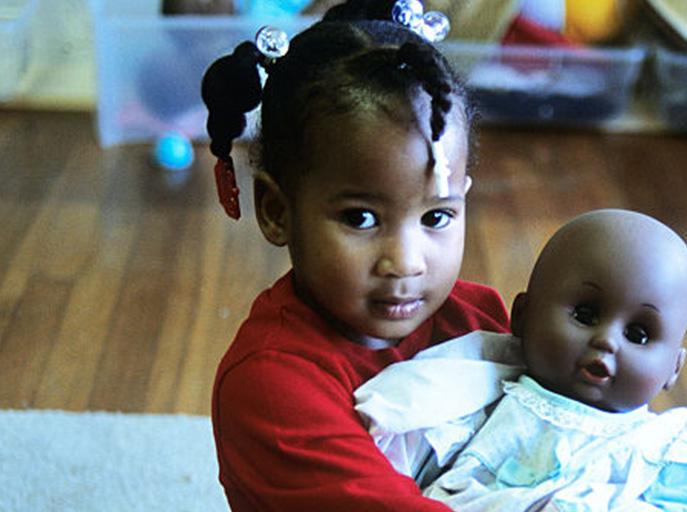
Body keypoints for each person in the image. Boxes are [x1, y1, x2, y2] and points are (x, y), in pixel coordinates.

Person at [200, 1, 510, 510]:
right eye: (361, 218)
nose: (406, 262)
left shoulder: (479, 321)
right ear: (277, 211)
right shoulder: (271, 386)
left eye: (436, 217)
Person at [356, 209, 687, 511]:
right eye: (585, 315)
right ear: (522, 317)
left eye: (638, 334)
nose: (607, 340)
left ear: (672, 369)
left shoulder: (671, 454)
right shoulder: (475, 399)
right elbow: (396, 465)